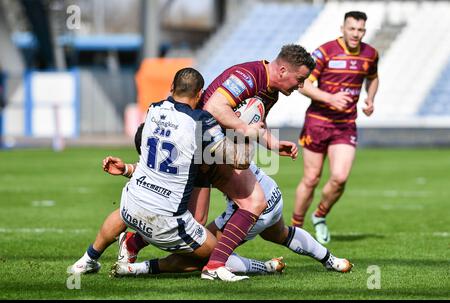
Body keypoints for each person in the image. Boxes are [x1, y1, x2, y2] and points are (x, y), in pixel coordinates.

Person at [68, 69, 281, 281]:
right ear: (199, 94)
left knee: (127, 209)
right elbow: (241, 162)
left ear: (171, 88)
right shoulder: (202, 121)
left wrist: (127, 169)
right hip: (167, 223)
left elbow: (155, 162)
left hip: (131, 206)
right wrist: (247, 133)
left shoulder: (153, 110)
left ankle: (88, 258)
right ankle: (265, 267)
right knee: (217, 253)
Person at [107, 156, 353, 278]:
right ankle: (331, 260)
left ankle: (134, 268)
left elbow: (172, 177)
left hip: (250, 209)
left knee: (202, 253)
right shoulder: (218, 133)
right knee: (281, 234)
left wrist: (129, 170)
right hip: (271, 192)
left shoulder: (199, 149)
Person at [193, 44, 316, 280]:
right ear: (282, 70)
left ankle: (133, 244)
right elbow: (214, 106)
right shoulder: (248, 76)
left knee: (194, 224)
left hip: (209, 149)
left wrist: (274, 144)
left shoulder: (271, 92)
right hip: (203, 144)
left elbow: (257, 123)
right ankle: (215, 267)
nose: (300, 86)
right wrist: (242, 128)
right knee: (254, 201)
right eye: (299, 79)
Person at [291, 11, 379, 244]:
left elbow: (373, 77)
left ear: (364, 31)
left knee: (339, 177)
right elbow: (303, 85)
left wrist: (370, 99)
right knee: (311, 178)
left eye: (360, 30)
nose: (356, 34)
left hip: (345, 125)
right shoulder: (325, 52)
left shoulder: (370, 54)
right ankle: (295, 230)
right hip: (318, 122)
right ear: (343, 28)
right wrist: (329, 99)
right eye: (352, 29)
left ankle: (319, 215)